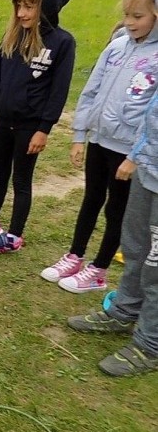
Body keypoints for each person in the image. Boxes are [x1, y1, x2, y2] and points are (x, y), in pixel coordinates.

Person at [42, 0, 158, 292]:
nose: (129, 23)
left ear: (157, 15)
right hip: (99, 140)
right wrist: (80, 134)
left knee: (116, 210)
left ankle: (99, 270)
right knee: (91, 199)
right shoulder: (116, 47)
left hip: (129, 151)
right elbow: (91, 92)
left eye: (138, 16)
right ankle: (74, 256)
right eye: (126, 15)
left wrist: (135, 156)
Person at [0, 0, 76, 253]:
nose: (21, 13)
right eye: (19, 5)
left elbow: (58, 91)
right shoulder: (12, 36)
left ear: (48, 6)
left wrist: (44, 129)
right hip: (4, 120)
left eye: (29, 6)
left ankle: (14, 235)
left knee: (21, 180)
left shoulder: (63, 43)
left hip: (30, 127)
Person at [67, 85, 158, 377]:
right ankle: (123, 313)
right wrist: (137, 154)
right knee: (135, 247)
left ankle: (149, 344)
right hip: (147, 167)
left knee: (156, 264)